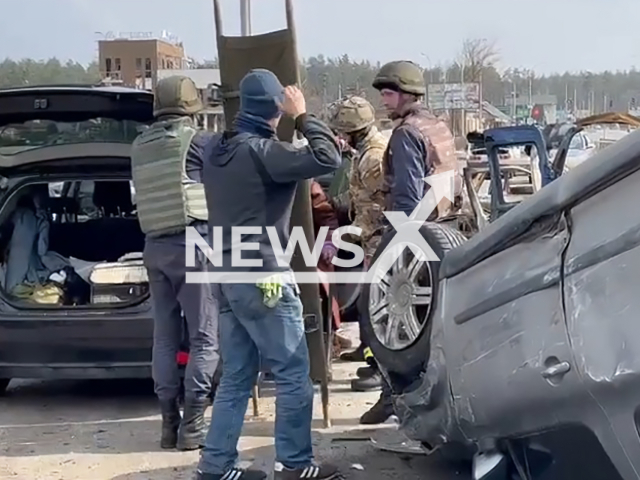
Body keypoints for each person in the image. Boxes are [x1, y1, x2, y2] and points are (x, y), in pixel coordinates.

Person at [197, 69, 342, 480]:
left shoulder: (214, 151)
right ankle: (295, 465)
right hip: (265, 276)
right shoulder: (262, 151)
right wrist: (303, 117)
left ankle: (215, 466)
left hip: (226, 274)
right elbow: (327, 158)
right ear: (275, 107)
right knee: (294, 373)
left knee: (238, 376)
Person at [357, 61, 460, 425]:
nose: (384, 100)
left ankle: (393, 398)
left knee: (391, 328)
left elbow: (407, 198)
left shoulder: (405, 135)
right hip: (447, 234)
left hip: (415, 244)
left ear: (406, 94)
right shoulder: (437, 126)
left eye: (389, 93)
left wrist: (391, 249)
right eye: (383, 93)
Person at [130, 76, 220, 451]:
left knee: (164, 339)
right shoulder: (197, 142)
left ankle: (169, 425)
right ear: (192, 108)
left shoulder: (139, 146)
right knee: (204, 337)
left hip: (154, 247)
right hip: (192, 246)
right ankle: (194, 427)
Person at [328, 95, 394, 423]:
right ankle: (369, 355)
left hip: (378, 240)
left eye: (343, 131)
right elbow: (357, 195)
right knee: (369, 307)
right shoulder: (363, 152)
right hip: (367, 238)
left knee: (377, 310)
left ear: (355, 130)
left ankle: (379, 371)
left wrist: (355, 230)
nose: (340, 137)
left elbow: (380, 204)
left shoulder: (375, 156)